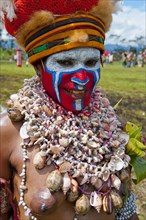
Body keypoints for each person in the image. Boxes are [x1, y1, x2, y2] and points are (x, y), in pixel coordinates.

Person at [0, 1, 145, 220]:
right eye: (65, 62)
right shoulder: (10, 132)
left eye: (90, 62)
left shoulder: (115, 131)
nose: (81, 78)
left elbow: (127, 212)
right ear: (38, 67)